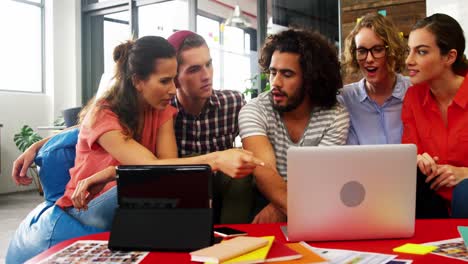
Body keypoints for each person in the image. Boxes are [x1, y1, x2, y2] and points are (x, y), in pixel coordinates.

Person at [12, 36, 263, 230]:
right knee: (139, 187)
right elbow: (150, 165)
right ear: (137, 81)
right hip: (89, 201)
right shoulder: (104, 113)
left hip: (133, 190)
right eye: (165, 81)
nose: (173, 89)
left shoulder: (162, 109)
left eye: (174, 80)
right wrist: (217, 158)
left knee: (172, 185)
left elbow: (168, 168)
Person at [238, 28, 350, 223]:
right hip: (266, 197)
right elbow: (265, 171)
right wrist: (288, 207)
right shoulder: (254, 110)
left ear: (310, 79)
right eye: (273, 72)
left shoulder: (335, 115)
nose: (275, 83)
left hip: (317, 197)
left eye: (287, 74)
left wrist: (279, 210)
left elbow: (318, 177)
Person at [166, 30, 249, 223]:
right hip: (182, 195)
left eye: (209, 64)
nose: (206, 76)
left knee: (243, 170)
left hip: (228, 192)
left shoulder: (233, 102)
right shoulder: (163, 112)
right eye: (194, 69)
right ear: (174, 78)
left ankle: (234, 241)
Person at [402, 13, 468, 218]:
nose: (408, 61)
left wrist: (465, 174)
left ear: (450, 56)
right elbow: (409, 151)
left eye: (421, 52)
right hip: (432, 200)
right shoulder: (413, 96)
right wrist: (418, 159)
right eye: (409, 51)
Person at [339, 12, 410, 145]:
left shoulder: (413, 91)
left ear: (391, 51)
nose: (369, 59)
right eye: (362, 51)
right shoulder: (345, 98)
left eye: (377, 50)